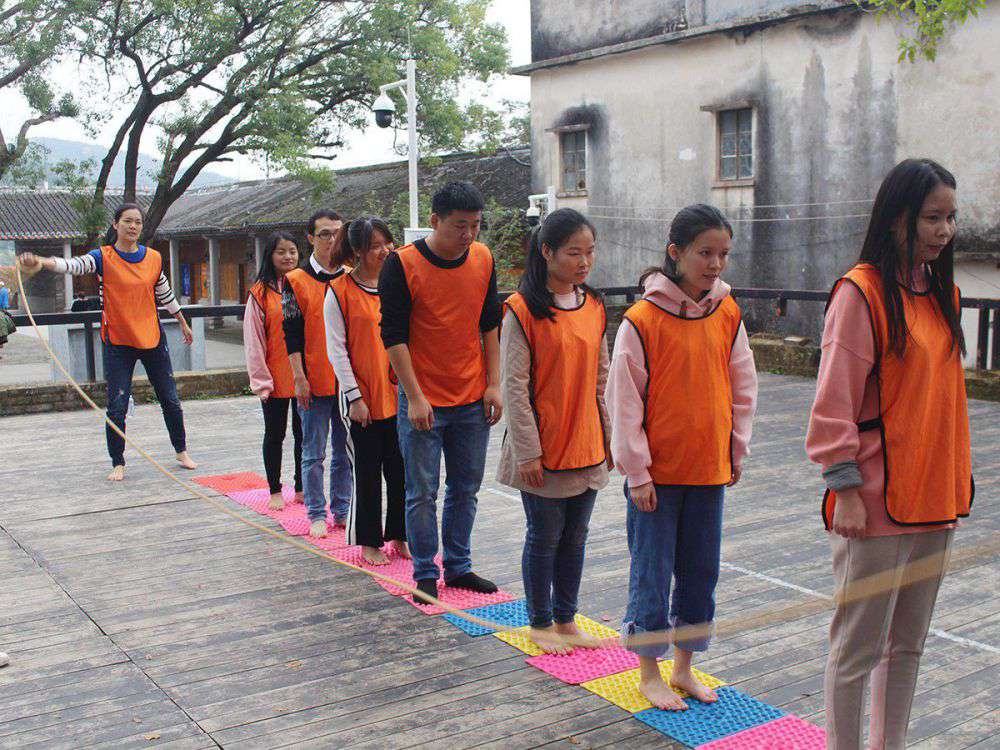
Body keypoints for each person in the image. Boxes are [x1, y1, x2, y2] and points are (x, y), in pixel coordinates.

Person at [806, 159, 972, 750]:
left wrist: (957, 486)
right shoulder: (861, 293)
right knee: (857, 649)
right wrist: (846, 490)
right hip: (874, 502)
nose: (944, 230)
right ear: (898, 217)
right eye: (932, 217)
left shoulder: (943, 293)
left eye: (950, 217)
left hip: (935, 499)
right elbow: (833, 405)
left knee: (908, 646)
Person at [608, 203, 758, 711]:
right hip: (657, 477)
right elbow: (624, 402)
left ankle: (684, 667)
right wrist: (637, 472)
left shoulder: (728, 313)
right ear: (676, 252)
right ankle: (649, 672)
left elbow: (743, 386)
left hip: (708, 469)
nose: (715, 264)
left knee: (700, 573)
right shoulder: (642, 320)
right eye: (704, 253)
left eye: (723, 254)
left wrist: (735, 448)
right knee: (651, 574)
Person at [379, 181, 502, 600]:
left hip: (472, 396)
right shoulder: (402, 264)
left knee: (466, 489)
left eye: (475, 225)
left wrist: (494, 384)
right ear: (435, 221)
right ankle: (425, 572)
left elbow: (490, 324)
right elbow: (393, 336)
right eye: (459, 225)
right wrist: (414, 396)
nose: (468, 234)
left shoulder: (483, 258)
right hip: (423, 400)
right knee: (421, 492)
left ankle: (459, 566)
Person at [498, 208, 612, 654]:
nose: (584, 262)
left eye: (590, 252)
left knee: (575, 537)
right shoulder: (522, 310)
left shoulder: (594, 305)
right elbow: (515, 386)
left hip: (586, 441)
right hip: (544, 446)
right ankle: (540, 622)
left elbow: (601, 379)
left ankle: (567, 619)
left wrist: (608, 438)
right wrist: (528, 450)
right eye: (573, 253)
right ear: (547, 252)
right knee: (544, 537)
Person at [18, 203, 197, 481]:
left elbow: (163, 291)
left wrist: (182, 320)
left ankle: (181, 450)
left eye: (138, 222)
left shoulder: (153, 258)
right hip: (118, 340)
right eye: (127, 221)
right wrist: (43, 261)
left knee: (170, 399)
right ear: (116, 224)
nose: (133, 226)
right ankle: (118, 461)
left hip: (151, 336)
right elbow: (74, 266)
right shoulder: (102, 257)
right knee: (117, 405)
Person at [325, 217, 408, 565]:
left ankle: (400, 535)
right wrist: (354, 397)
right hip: (362, 398)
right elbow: (336, 350)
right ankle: (369, 542)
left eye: (387, 243)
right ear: (358, 251)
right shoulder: (339, 291)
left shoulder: (397, 284)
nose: (385, 250)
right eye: (375, 246)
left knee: (401, 469)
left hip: (399, 395)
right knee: (367, 471)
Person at [282, 209, 352, 538]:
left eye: (338, 232)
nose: (332, 239)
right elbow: (291, 333)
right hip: (313, 377)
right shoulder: (295, 280)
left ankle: (342, 508)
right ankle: (315, 512)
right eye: (325, 233)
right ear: (310, 238)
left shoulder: (351, 276)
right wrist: (299, 377)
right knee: (313, 451)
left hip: (347, 380)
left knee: (344, 450)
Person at [244, 230, 303, 510]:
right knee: (275, 434)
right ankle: (275, 489)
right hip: (275, 377)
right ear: (270, 255)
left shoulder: (305, 285)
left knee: (305, 435)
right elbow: (254, 341)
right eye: (281, 251)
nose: (288, 256)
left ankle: (302, 486)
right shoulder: (259, 293)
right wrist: (261, 381)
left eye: (292, 251)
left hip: (305, 376)